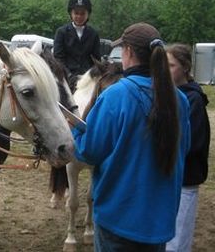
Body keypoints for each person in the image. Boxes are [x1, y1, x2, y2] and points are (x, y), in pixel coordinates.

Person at [72, 22, 191, 251]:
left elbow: (88, 151)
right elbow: (181, 150)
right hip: (159, 222)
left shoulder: (116, 96)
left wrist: (76, 128)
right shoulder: (180, 100)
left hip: (118, 219)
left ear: (127, 52)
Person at [166, 44, 210, 252]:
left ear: (185, 68)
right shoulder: (170, 95)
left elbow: (191, 143)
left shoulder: (193, 100)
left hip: (185, 179)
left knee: (178, 242)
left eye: (171, 65)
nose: (166, 69)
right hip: (169, 178)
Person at [53, 0, 101, 92]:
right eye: (76, 13)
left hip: (88, 79)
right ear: (71, 13)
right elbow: (58, 59)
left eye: (83, 13)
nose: (79, 16)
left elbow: (96, 60)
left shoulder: (93, 34)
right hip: (66, 78)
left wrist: (89, 76)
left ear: (88, 14)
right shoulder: (61, 32)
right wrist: (70, 76)